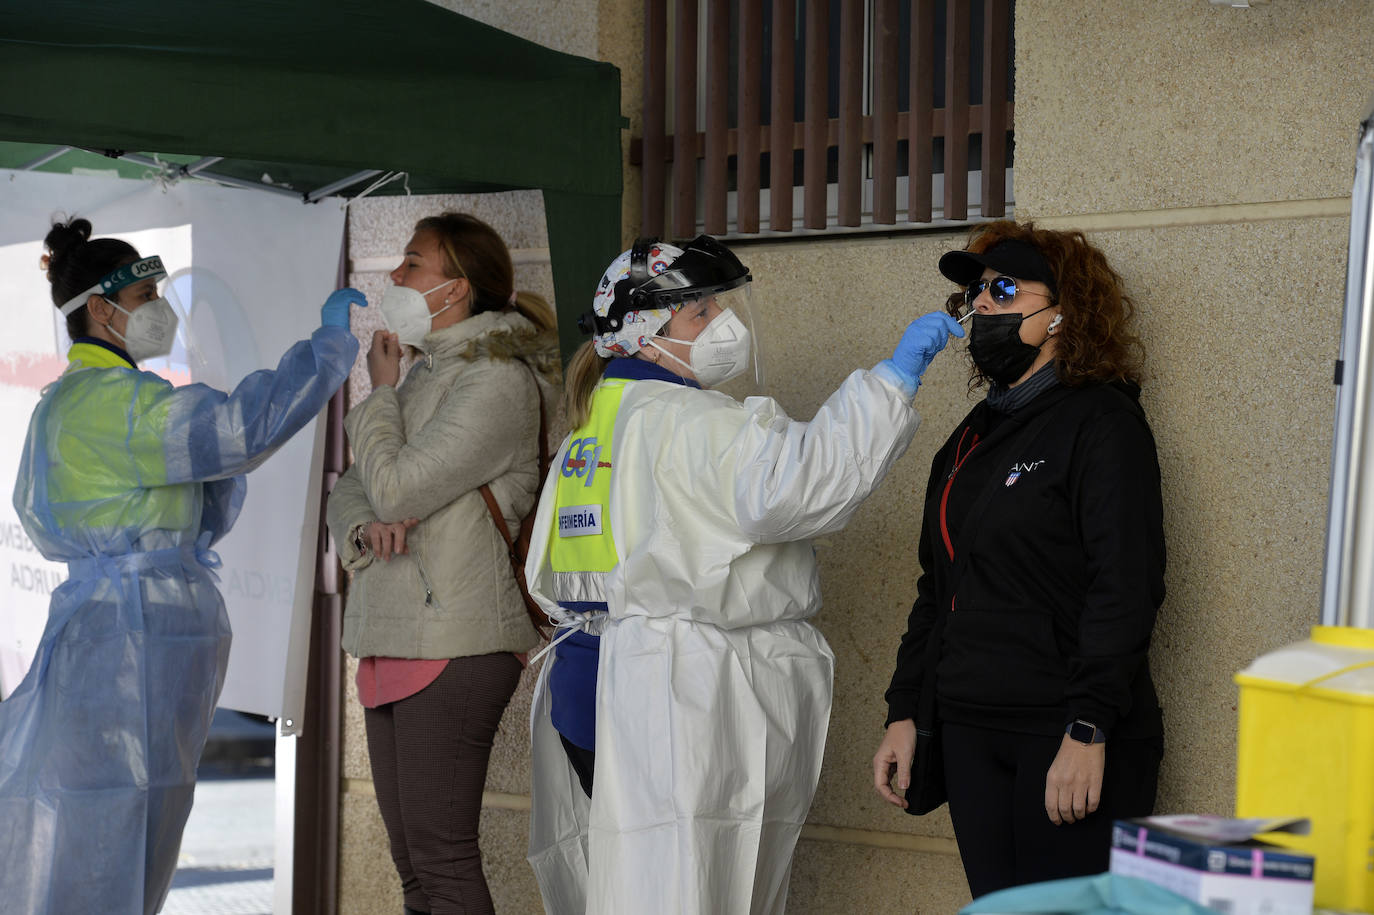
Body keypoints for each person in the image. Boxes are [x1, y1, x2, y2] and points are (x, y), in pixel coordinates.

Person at [524, 235, 964, 915]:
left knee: (638, 883)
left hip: (600, 683)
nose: (722, 325)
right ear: (644, 335)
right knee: (692, 889)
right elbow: (801, 484)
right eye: (699, 314)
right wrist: (892, 382)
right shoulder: (687, 424)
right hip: (679, 694)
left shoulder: (595, 430)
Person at [0, 217, 362, 914]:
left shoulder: (70, 404)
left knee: (109, 832)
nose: (158, 309)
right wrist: (326, 350)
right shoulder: (117, 407)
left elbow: (199, 503)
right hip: (126, 648)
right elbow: (238, 433)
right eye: (144, 295)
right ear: (100, 310)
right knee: (113, 842)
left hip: (107, 638)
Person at [872, 220, 1166, 900]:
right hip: (973, 731)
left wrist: (1087, 727)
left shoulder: (1102, 423)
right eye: (976, 293)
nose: (982, 305)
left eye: (1004, 289)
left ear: (1063, 310)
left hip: (1062, 734)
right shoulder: (970, 438)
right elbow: (935, 588)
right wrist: (904, 713)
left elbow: (1124, 586)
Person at [325, 212, 559, 915]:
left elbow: (395, 481)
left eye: (412, 262)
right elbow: (354, 486)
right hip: (391, 630)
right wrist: (364, 525)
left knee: (441, 855)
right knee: (414, 868)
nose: (394, 275)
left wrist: (380, 395)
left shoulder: (498, 382)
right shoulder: (428, 371)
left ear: (456, 289)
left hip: (454, 639)